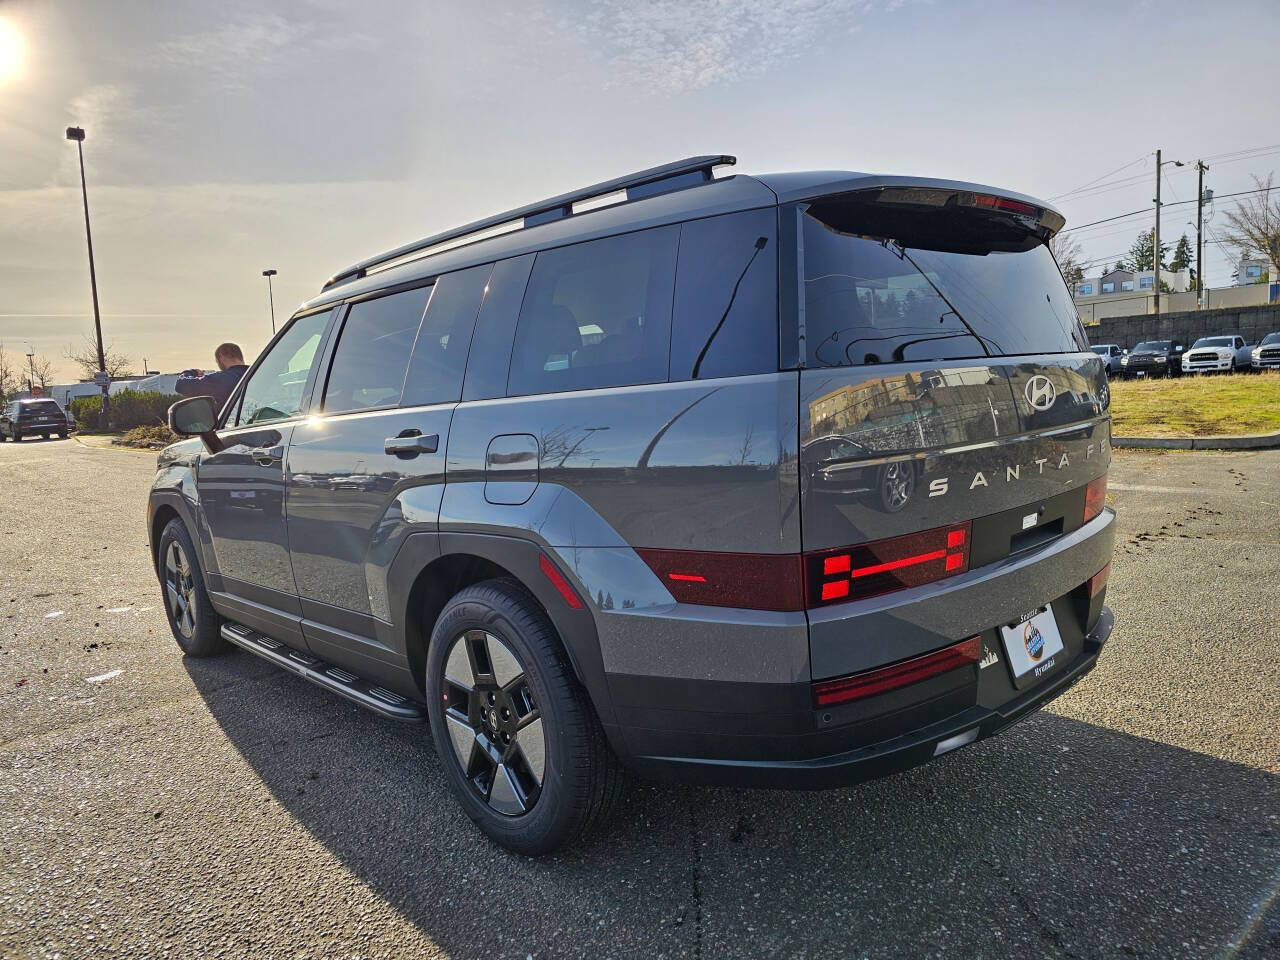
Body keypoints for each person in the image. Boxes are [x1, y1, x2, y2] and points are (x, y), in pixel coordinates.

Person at [175, 342, 249, 412]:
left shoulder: (221, 380)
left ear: (222, 357)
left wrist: (193, 372)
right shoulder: (256, 375)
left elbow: (181, 385)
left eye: (217, 361)